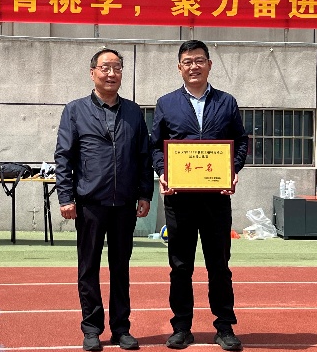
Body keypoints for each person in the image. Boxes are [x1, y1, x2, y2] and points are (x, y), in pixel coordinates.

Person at [150, 40, 248, 351]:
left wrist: (232, 170)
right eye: (188, 61)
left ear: (209, 64)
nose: (194, 66)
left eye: (199, 60)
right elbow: (156, 146)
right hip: (179, 199)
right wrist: (163, 171)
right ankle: (181, 327)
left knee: (219, 265)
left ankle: (224, 326)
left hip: (216, 199)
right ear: (179, 67)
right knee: (180, 266)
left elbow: (241, 142)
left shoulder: (226, 102)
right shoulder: (166, 103)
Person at [54, 47, 154, 351]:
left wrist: (145, 193)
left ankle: (121, 328)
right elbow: (64, 156)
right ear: (92, 73)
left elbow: (144, 156)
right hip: (90, 203)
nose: (112, 73)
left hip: (124, 203)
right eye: (105, 67)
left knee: (120, 268)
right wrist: (66, 196)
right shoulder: (75, 110)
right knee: (88, 268)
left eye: (117, 68)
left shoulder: (133, 112)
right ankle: (91, 328)